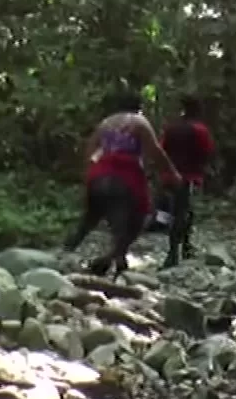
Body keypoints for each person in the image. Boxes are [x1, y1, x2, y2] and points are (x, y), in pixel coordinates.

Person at [63, 92, 184, 277]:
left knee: (89, 219)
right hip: (125, 174)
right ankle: (115, 257)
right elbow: (155, 151)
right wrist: (171, 172)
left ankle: (64, 254)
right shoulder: (139, 122)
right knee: (138, 217)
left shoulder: (105, 122)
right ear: (138, 108)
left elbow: (90, 149)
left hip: (100, 172)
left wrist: (89, 174)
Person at [158, 96, 216, 268]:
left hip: (171, 176)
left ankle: (184, 247)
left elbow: (162, 150)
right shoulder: (200, 130)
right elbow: (208, 151)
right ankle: (175, 251)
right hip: (189, 176)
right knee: (183, 213)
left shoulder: (171, 129)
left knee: (179, 212)